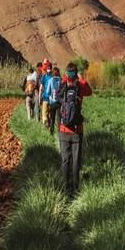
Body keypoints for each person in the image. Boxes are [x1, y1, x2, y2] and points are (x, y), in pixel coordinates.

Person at [56, 62, 92, 197]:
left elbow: (56, 99)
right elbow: (90, 91)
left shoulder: (62, 85)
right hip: (77, 130)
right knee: (76, 160)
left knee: (65, 159)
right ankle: (76, 188)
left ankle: (65, 187)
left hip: (63, 129)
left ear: (66, 74)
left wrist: (65, 79)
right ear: (76, 73)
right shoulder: (80, 87)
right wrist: (81, 78)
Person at [44, 66, 62, 134]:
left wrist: (50, 97)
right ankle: (60, 133)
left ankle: (51, 132)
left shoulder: (50, 80)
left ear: (52, 73)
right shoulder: (61, 80)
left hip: (52, 103)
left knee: (52, 119)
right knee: (59, 120)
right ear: (58, 73)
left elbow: (48, 92)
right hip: (60, 103)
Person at [39, 61, 54, 127]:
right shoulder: (54, 77)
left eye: (49, 68)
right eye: (49, 68)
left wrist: (39, 97)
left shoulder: (44, 77)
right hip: (52, 98)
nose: (49, 69)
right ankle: (50, 125)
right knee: (50, 113)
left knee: (44, 113)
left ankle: (45, 122)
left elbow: (41, 88)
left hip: (45, 97)